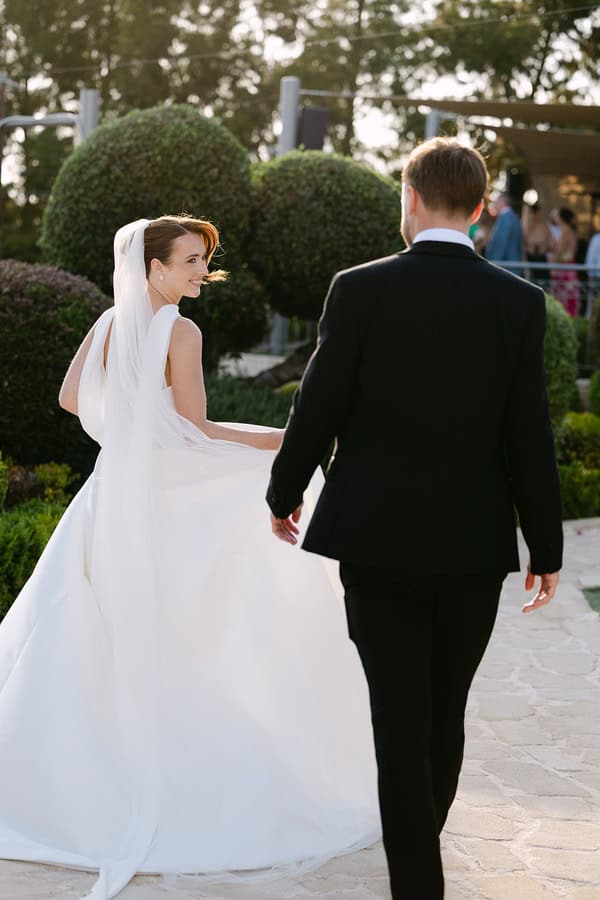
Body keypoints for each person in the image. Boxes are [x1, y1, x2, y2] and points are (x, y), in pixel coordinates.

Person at [0, 215, 380, 900]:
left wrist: (128, 436)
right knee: (185, 628)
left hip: (111, 493)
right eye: (192, 260)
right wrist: (286, 439)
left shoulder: (109, 323)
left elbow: (68, 397)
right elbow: (200, 427)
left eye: (203, 260)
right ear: (154, 268)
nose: (203, 271)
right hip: (161, 495)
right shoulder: (179, 330)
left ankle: (75, 778)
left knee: (95, 631)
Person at [267, 138, 563, 900]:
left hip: (375, 540)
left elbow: (319, 401)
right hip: (472, 549)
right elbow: (528, 432)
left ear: (409, 199)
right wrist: (547, 545)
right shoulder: (518, 303)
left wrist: (284, 491)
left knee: (399, 728)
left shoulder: (358, 289)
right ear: (478, 209)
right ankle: (418, 868)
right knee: (443, 717)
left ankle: (415, 884)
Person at [548, 206, 579, 316]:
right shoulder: (570, 231)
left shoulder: (565, 232)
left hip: (564, 271)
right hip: (569, 269)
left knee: (563, 304)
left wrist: (550, 255)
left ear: (561, 218)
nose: (554, 218)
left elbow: (559, 254)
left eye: (556, 216)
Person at [484, 192, 524, 274]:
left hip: (506, 268)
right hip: (510, 266)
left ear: (503, 201)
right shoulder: (512, 217)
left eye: (497, 201)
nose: (495, 204)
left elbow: (501, 243)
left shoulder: (506, 218)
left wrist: (493, 265)